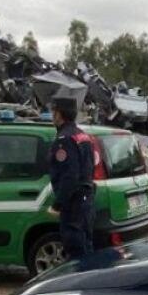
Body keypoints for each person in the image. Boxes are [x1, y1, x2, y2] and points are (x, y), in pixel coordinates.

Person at [47, 97, 96, 258]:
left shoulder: (64, 140)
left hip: (73, 205)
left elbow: (70, 176)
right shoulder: (83, 136)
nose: (52, 115)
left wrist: (57, 205)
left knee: (76, 251)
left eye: (53, 112)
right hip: (86, 200)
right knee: (86, 248)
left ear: (59, 114)